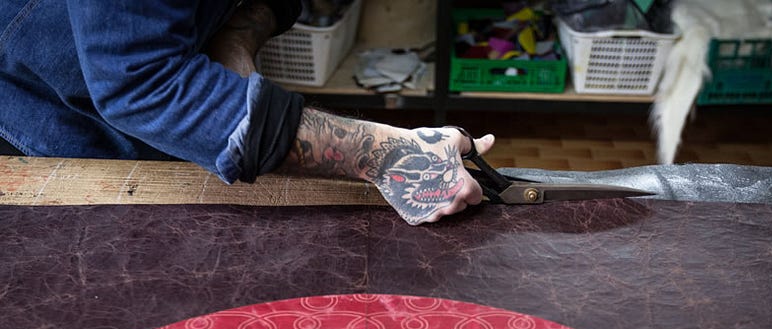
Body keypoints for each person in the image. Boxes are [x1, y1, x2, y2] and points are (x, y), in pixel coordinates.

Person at [0, 0, 494, 225]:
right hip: (44, 114)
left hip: (163, 84)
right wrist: (388, 153)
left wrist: (236, 36)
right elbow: (141, 80)